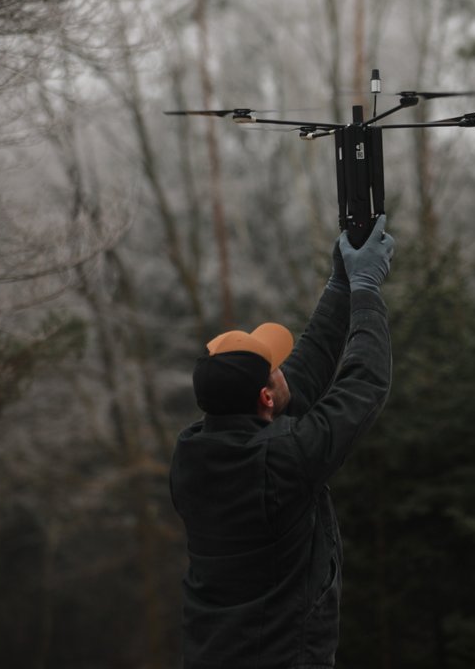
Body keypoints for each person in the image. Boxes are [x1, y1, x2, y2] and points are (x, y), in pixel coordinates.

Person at [169, 215, 395, 669]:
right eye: (275, 367)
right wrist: (367, 289)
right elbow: (365, 382)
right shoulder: (283, 461)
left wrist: (339, 284)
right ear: (266, 398)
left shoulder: (191, 455)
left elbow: (302, 377)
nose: (284, 366)